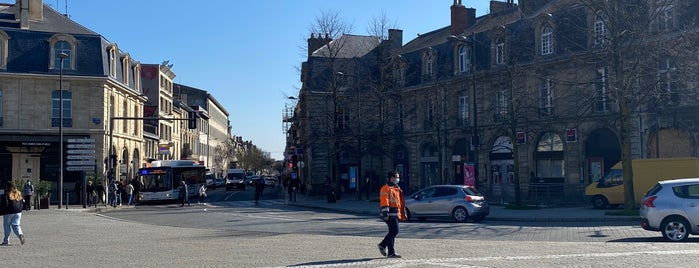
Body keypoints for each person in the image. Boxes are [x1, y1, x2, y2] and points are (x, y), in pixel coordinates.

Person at [377, 171, 406, 258]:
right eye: (397, 177)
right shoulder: (386, 188)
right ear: (392, 178)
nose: (398, 179)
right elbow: (384, 201)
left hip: (395, 213)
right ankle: (382, 245)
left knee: (392, 232)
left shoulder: (396, 188)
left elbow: (399, 202)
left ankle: (391, 252)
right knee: (395, 231)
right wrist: (385, 213)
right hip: (389, 214)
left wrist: (401, 212)